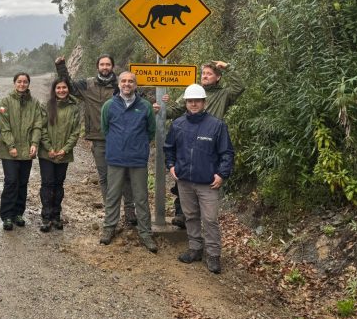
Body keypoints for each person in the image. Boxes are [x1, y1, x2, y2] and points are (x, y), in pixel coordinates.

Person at [55, 54, 137, 226]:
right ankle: (111, 212)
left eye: (108, 64)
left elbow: (139, 101)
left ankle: (130, 212)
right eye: (102, 64)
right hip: (99, 139)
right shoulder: (88, 85)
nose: (105, 67)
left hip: (121, 139)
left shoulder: (121, 85)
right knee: (104, 177)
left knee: (126, 176)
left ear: (113, 67)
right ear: (97, 66)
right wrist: (61, 66)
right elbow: (68, 86)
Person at [161, 60, 244, 228]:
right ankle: (182, 215)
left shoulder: (224, 94)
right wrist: (161, 108)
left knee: (205, 182)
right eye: (203, 73)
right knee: (183, 177)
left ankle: (203, 220)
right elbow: (176, 111)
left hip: (210, 142)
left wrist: (228, 67)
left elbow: (240, 86)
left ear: (218, 77)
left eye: (209, 74)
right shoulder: (193, 92)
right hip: (188, 138)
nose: (205, 76)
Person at [164, 84, 234, 274]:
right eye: (190, 101)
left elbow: (227, 153)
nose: (193, 104)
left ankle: (213, 255)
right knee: (190, 216)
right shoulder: (178, 124)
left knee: (210, 219)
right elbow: (169, 148)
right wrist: (171, 166)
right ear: (186, 103)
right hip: (184, 181)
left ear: (204, 102)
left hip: (208, 183)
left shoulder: (217, 125)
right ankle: (195, 249)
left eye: (197, 101)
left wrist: (222, 174)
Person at [98, 71, 158, 252]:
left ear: (136, 85)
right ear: (118, 84)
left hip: (138, 159)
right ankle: (109, 228)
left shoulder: (145, 106)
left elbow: (151, 131)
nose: (127, 84)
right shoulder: (109, 106)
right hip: (115, 158)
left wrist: (137, 145)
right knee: (113, 195)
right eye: (123, 81)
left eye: (130, 81)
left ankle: (146, 233)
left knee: (141, 197)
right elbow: (105, 129)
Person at [0, 72, 42, 230]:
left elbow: (38, 124)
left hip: (27, 151)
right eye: (19, 81)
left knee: (23, 182)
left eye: (25, 82)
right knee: (11, 181)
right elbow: (4, 126)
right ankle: (7, 215)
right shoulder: (6, 101)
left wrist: (34, 143)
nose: (22, 84)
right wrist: (11, 146)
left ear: (28, 84)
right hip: (9, 151)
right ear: (14, 83)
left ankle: (18, 213)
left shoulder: (35, 103)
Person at [38, 77, 82, 232]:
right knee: (47, 183)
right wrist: (49, 148)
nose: (61, 90)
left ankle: (56, 215)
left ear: (68, 89)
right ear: (54, 90)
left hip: (64, 153)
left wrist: (65, 149)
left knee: (59, 183)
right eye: (58, 88)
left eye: (64, 88)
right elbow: (42, 128)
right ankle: (46, 216)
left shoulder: (74, 108)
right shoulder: (46, 106)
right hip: (46, 154)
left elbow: (76, 131)